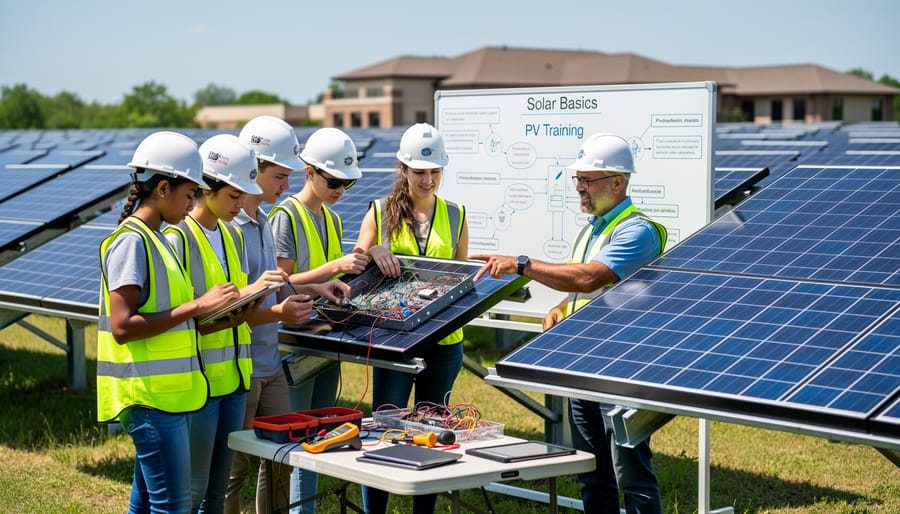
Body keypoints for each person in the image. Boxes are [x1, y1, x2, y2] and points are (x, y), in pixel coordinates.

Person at [471, 133, 668, 514]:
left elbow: (589, 278)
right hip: (584, 362)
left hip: (619, 368)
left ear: (618, 182)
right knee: (591, 471)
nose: (579, 187)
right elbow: (590, 289)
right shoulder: (594, 228)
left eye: (587, 180)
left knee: (630, 473)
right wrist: (563, 306)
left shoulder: (637, 230)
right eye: (577, 179)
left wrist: (522, 264)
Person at [97, 131, 241, 513]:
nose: (193, 202)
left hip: (167, 396)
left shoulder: (157, 238)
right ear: (163, 188)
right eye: (189, 193)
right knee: (173, 506)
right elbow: (123, 326)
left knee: (146, 505)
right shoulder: (132, 242)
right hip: (149, 398)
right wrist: (197, 306)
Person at [224, 116, 349, 514]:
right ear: (252, 168)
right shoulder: (232, 229)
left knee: (283, 458)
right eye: (279, 175)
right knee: (234, 468)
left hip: (269, 362)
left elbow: (276, 283)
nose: (287, 185)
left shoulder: (261, 221)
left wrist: (315, 289)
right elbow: (232, 309)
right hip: (239, 364)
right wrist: (279, 311)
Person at [355, 122, 469, 514]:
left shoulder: (455, 214)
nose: (428, 178)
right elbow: (354, 269)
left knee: (433, 432)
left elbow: (462, 277)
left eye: (435, 171)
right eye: (420, 171)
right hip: (393, 343)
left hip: (443, 344)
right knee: (386, 430)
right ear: (403, 169)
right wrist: (372, 254)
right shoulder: (380, 211)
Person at [163, 134, 267, 513]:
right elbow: (180, 316)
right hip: (200, 385)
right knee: (191, 490)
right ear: (207, 187)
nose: (241, 205)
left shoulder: (231, 234)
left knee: (218, 490)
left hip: (235, 381)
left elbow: (233, 305)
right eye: (234, 196)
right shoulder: (178, 238)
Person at [268, 127, 368, 514]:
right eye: (333, 180)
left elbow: (332, 281)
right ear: (309, 171)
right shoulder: (285, 217)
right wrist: (333, 269)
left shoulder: (333, 219)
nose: (340, 189)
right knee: (299, 435)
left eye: (347, 182)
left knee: (323, 433)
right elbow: (278, 285)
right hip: (294, 342)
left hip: (326, 339)